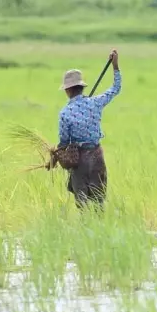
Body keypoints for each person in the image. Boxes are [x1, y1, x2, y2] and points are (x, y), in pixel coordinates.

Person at [57, 49, 121, 211]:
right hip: (97, 156)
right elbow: (115, 88)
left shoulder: (65, 113)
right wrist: (115, 66)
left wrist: (55, 154)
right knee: (99, 202)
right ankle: (99, 228)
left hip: (79, 160)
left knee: (82, 204)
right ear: (81, 87)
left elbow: (64, 142)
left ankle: (86, 230)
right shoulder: (95, 103)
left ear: (67, 90)